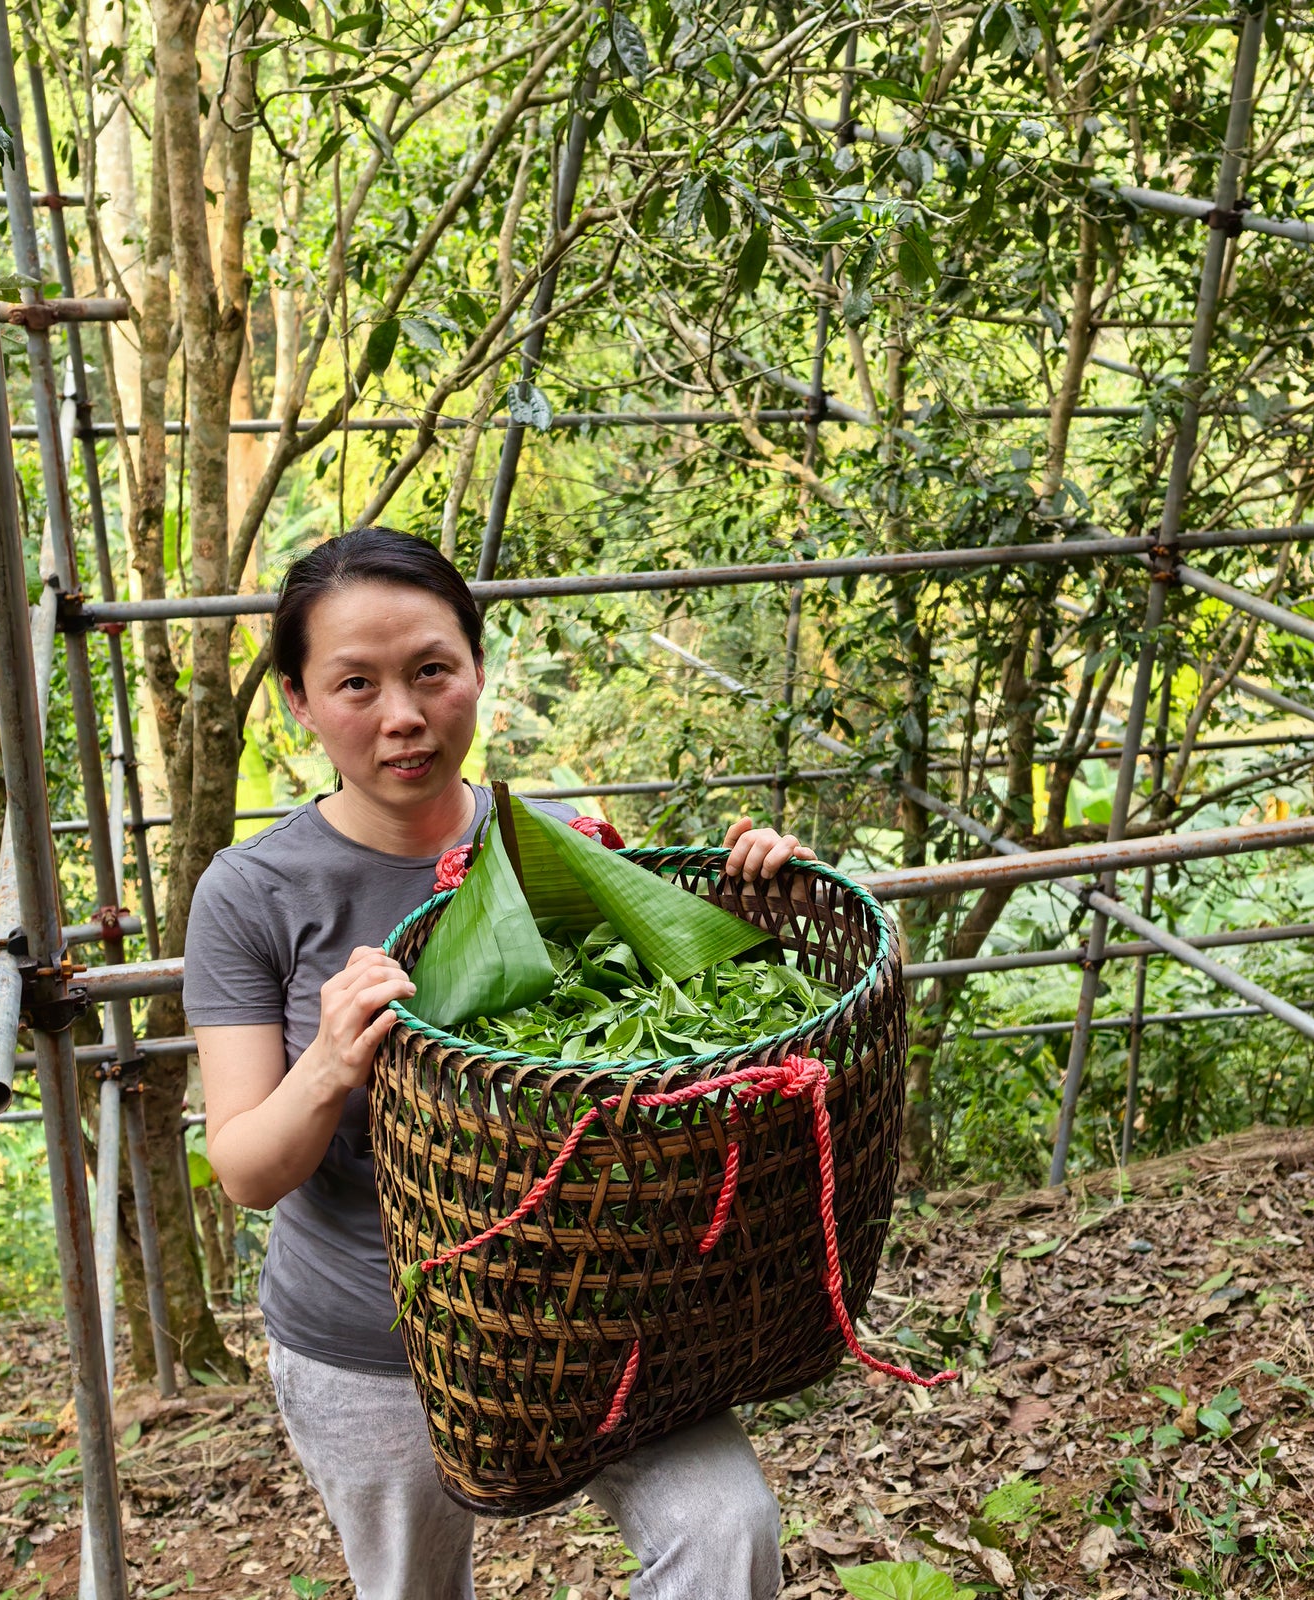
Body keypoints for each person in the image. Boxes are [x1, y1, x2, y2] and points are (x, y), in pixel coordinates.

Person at [185, 527, 816, 1600]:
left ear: (478, 666)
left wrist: (746, 917)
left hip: (601, 1310)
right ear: (297, 699)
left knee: (726, 1527)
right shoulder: (252, 894)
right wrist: (332, 1058)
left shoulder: (561, 841)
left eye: (432, 670)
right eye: (355, 684)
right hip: (371, 1339)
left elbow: (667, 1069)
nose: (403, 716)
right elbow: (244, 1167)